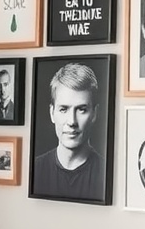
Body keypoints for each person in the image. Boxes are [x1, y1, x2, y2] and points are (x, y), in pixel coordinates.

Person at [32, 63, 105, 201]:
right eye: (63, 109)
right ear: (52, 113)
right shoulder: (34, 170)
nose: (72, 121)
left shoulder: (105, 172)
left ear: (95, 114)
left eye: (81, 109)